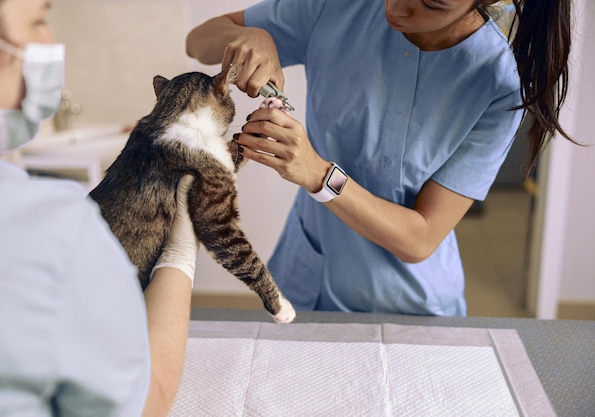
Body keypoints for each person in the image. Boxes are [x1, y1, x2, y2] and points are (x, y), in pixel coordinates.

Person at [186, 0, 574, 316]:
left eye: (432, 4)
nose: (397, 9)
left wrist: (320, 175)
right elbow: (198, 41)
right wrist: (251, 34)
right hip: (303, 280)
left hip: (406, 305)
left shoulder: (497, 85)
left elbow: (420, 238)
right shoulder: (340, 7)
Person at [0, 1, 197, 415]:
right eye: (38, 22)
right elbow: (147, 401)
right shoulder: (51, 234)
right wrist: (182, 249)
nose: (51, 43)